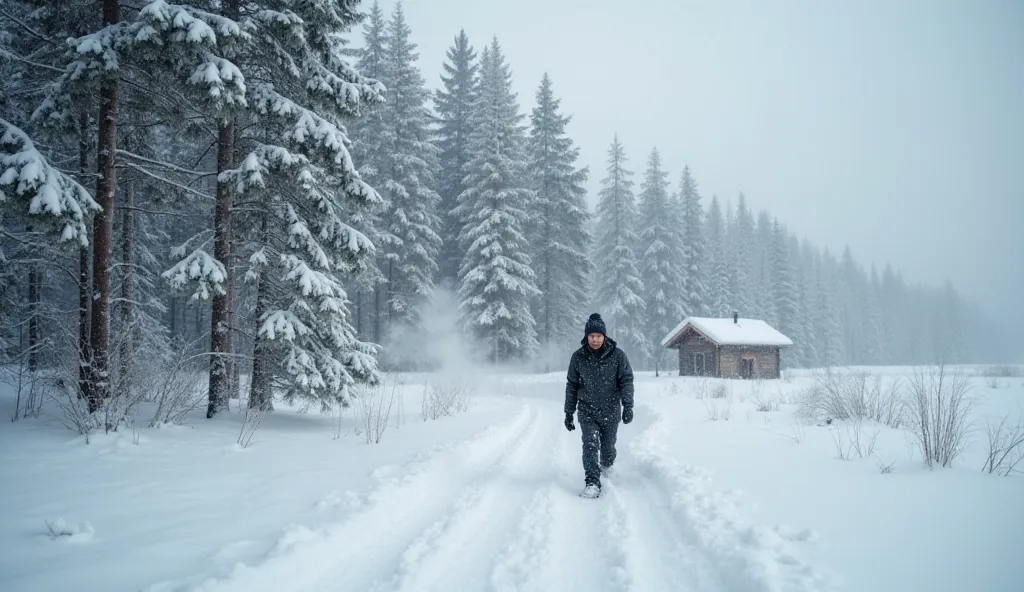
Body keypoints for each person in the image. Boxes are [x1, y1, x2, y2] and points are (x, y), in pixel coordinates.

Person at [563, 313, 634, 498]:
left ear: (604, 336)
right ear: (587, 337)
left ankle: (607, 465)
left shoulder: (618, 356)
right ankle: (592, 482)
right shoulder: (578, 357)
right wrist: (569, 412)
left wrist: (628, 406)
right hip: (587, 411)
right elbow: (572, 385)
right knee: (590, 445)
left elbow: (626, 381)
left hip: (611, 410)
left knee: (608, 448)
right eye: (592, 336)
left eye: (598, 336)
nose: (595, 340)